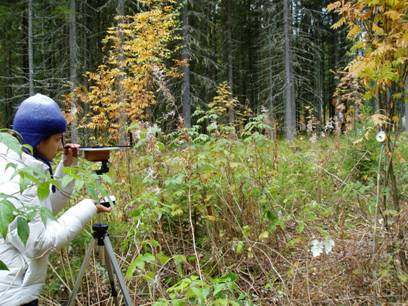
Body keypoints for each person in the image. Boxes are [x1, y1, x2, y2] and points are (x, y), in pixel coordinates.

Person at [0, 94, 111, 306]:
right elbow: (38, 243)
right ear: (38, 139)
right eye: (57, 139)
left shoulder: (17, 166)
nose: (61, 146)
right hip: (11, 297)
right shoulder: (15, 180)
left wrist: (67, 167)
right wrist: (88, 207)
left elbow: (43, 210)